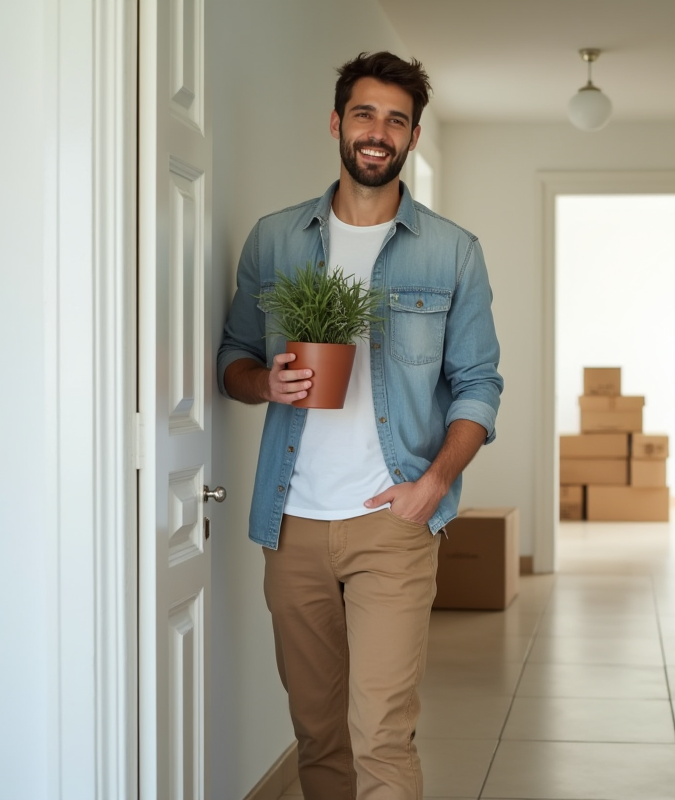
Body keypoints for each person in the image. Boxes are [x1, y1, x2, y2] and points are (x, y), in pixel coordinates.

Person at [216, 51, 503, 800]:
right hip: (292, 521)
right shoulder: (275, 240)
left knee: (381, 732)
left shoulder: (453, 251)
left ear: (413, 137)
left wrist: (432, 484)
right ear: (337, 122)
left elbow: (478, 385)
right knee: (318, 731)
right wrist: (266, 382)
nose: (379, 132)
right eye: (366, 114)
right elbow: (233, 359)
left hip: (393, 521)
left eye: (397, 120)